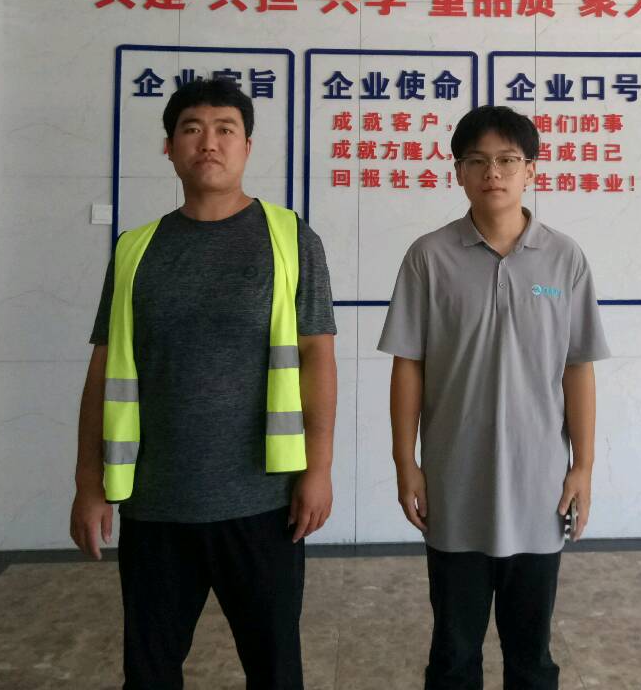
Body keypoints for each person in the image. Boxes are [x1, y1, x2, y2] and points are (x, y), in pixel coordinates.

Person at [68, 77, 338, 690]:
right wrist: (88, 482)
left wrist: (318, 469)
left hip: (265, 502)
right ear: (169, 148)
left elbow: (317, 359)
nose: (208, 142)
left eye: (225, 130)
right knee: (150, 673)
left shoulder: (292, 239)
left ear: (247, 146)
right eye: (192, 129)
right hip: (155, 502)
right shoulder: (135, 249)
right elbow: (103, 370)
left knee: (275, 671)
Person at [379, 104, 611, 690]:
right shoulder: (429, 256)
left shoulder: (564, 257)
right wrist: (407, 463)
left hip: (540, 486)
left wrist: (582, 466)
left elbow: (577, 368)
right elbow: (409, 366)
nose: (493, 173)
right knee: (453, 651)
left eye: (508, 160)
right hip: (454, 483)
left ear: (531, 169)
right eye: (477, 161)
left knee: (531, 653)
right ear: (458, 171)